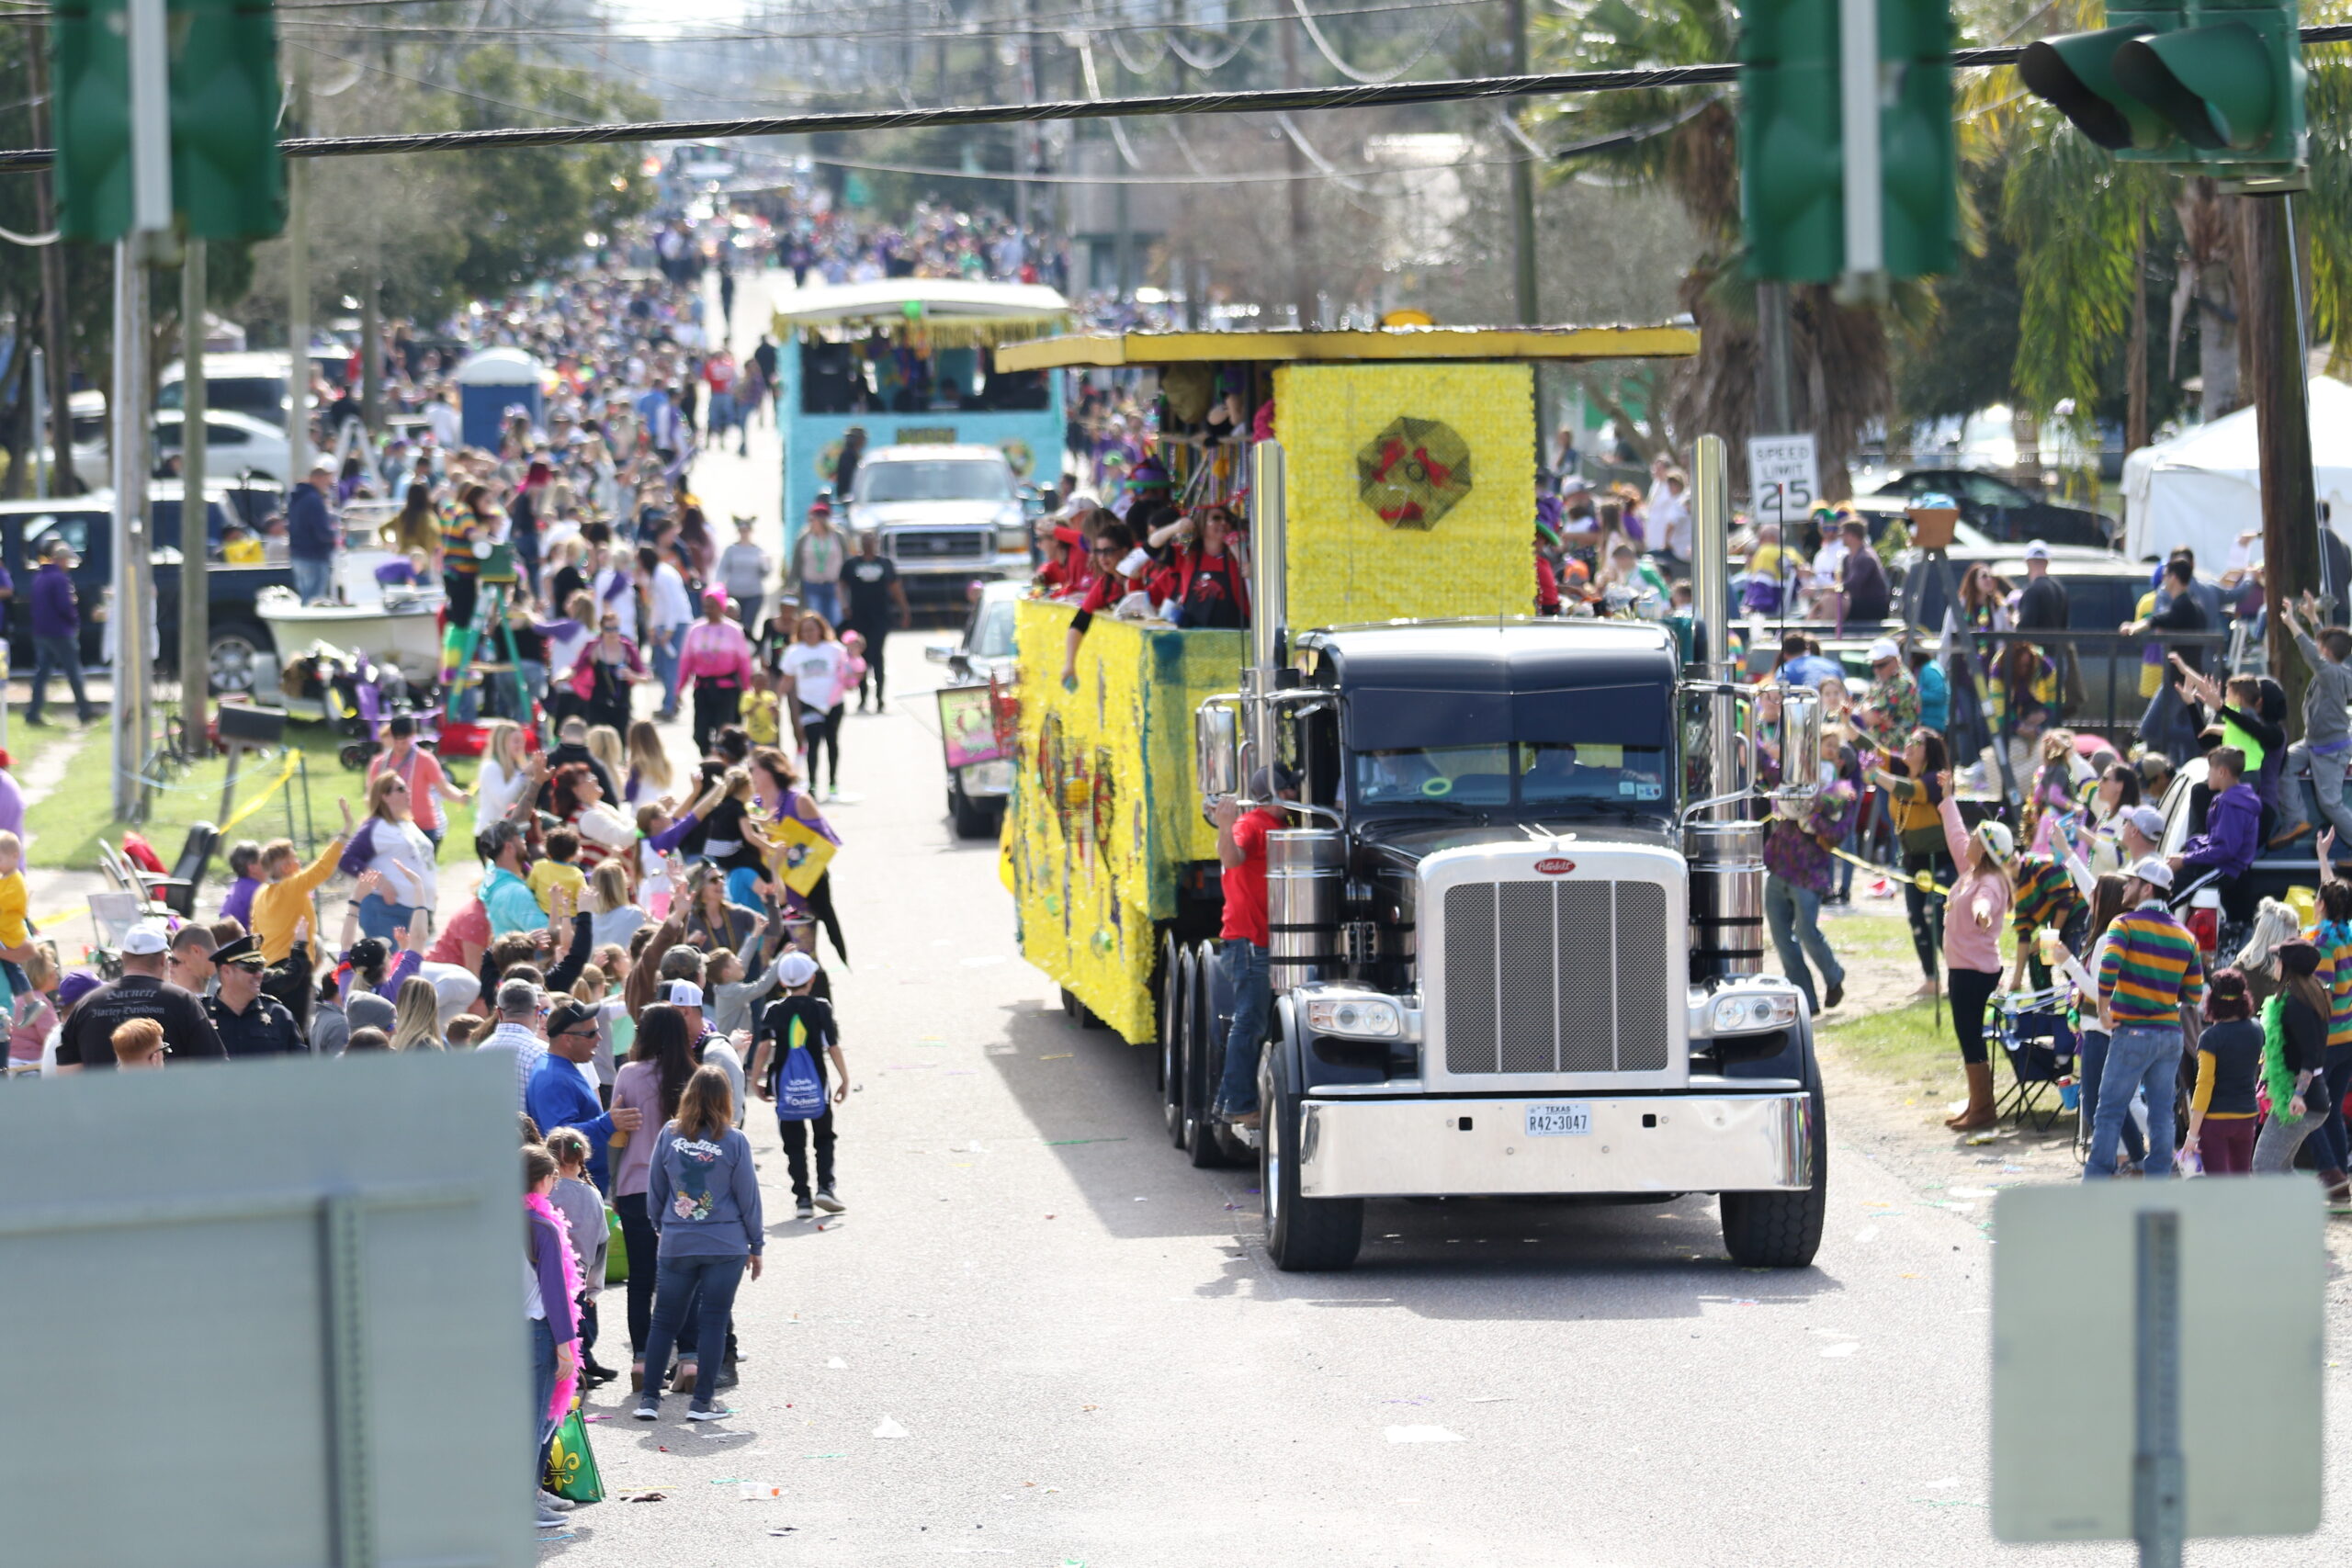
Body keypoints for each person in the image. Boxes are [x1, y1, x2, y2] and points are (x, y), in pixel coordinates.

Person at [634, 1063, 764, 1423]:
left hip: (678, 1239)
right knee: (714, 1321)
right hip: (725, 1243)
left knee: (664, 1321)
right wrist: (756, 1245)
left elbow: (656, 1189)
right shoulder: (734, 1140)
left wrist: (663, 1225)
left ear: (688, 1096)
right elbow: (748, 1197)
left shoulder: (669, 1134)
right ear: (726, 1099)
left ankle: (649, 1401)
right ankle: (702, 1403)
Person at [2086, 857, 2205, 1179]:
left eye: (2131, 882)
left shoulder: (2123, 925)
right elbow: (2194, 995)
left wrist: (2102, 1009)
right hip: (2169, 1036)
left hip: (2133, 1033)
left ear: (2147, 887)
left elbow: (2109, 967)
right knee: (2162, 1116)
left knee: (2109, 1110)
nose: (2126, 887)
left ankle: (2095, 1182)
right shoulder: (2186, 936)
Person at [611, 1001, 693, 1379]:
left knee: (641, 1278)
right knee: (683, 1273)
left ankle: (642, 1357)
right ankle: (689, 1358)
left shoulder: (628, 1074)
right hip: (684, 1192)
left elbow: (617, 1134)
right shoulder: (694, 1076)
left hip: (636, 1185)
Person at [1210, 766, 1293, 1131]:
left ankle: (1235, 1101)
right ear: (1276, 792)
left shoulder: (1281, 828)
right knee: (1250, 1022)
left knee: (1256, 1023)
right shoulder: (1252, 823)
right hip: (1248, 942)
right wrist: (1226, 825)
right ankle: (1238, 1105)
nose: (1293, 794)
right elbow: (1231, 859)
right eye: (1288, 788)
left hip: (1264, 942)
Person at [1935, 782, 2015, 1133]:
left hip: (1974, 971)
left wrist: (1982, 914)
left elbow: (1987, 901)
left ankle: (1983, 1108)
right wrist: (1947, 798)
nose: (1969, 840)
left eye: (1976, 838)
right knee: (1968, 1035)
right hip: (1965, 968)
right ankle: (1978, 1104)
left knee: (1970, 1036)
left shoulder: (1990, 882)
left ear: (1985, 851)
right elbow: (1955, 836)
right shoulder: (1971, 873)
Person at [1762, 725, 1854, 1014]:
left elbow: (1838, 832)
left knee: (1805, 931)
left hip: (1808, 873)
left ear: (1840, 759)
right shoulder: (1794, 779)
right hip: (1780, 866)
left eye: (1832, 748)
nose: (1827, 752)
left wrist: (1811, 815)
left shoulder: (1841, 791)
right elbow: (1768, 771)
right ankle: (1806, 1001)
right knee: (1780, 937)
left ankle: (1834, 975)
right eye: (1823, 746)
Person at [750, 951, 847, 1220]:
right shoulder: (821, 1008)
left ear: (783, 983)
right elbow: (833, 1046)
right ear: (812, 979)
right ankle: (826, 1187)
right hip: (818, 1083)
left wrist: (756, 1079)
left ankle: (802, 1198)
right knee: (824, 1137)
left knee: (793, 1143)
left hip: (784, 1085)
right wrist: (844, 1079)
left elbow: (764, 1047)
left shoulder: (773, 1010)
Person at [55, 923, 228, 1069]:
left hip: (103, 1107)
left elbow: (67, 1072)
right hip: (169, 1106)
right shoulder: (182, 1001)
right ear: (163, 961)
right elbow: (214, 1066)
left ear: (124, 958)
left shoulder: (88, 1004)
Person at [1866, 729, 1952, 999]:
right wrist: (1847, 724)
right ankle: (1931, 979)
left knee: (1940, 919)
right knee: (1916, 918)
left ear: (1929, 751)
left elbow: (1909, 790)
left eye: (1917, 743)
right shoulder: (1900, 767)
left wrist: (1875, 776)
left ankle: (1960, 975)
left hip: (1941, 859)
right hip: (1913, 861)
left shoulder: (1936, 778)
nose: (1909, 746)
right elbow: (1873, 751)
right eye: (1907, 741)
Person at [527, 998, 642, 1192]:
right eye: (591, 1033)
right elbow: (560, 1140)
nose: (599, 1039)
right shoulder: (553, 1078)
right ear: (567, 1039)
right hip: (573, 1192)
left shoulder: (559, 1067)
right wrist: (608, 1123)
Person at [522, 1143, 578, 1532]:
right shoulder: (542, 1226)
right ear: (543, 1180)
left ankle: (534, 1494)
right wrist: (565, 1346)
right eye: (554, 1176)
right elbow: (555, 1291)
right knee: (536, 1417)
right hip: (539, 1330)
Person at [543, 1125, 616, 1386]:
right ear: (582, 1158)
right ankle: (579, 1369)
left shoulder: (546, 1190)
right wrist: (594, 1288)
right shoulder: (593, 1194)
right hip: (580, 1275)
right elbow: (602, 1242)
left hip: (546, 1273)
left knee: (555, 1329)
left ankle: (572, 1373)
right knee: (576, 1325)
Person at [2254, 938, 2333, 1176]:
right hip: (2309, 1098)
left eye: (2277, 959)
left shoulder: (2297, 1004)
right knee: (2282, 1167)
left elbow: (2312, 1055)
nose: (2274, 965)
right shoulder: (2307, 994)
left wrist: (2298, 1094)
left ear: (2287, 966)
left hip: (2303, 1101)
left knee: (2263, 1165)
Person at [2280, 593, 2352, 845]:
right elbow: (2324, 646)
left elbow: (2311, 651)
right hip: (2311, 742)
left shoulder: (2331, 673)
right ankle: (2298, 818)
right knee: (2283, 764)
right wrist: (2312, 617)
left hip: (2329, 750)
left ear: (2325, 652)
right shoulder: (2338, 666)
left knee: (2331, 804)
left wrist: (2292, 622)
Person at [2183, 968, 2264, 1176]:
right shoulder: (2256, 1030)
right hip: (2247, 1115)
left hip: (2216, 1120)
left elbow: (2204, 1085)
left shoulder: (2210, 1038)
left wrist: (2192, 1134)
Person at [339, 772, 437, 941]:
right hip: (386, 910)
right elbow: (347, 859)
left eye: (406, 787)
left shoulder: (406, 823)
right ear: (385, 796)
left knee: (410, 965)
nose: (407, 791)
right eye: (400, 789)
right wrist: (382, 883)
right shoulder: (376, 825)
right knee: (390, 966)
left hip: (413, 910)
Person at [254, 806, 356, 964]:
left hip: (267, 965)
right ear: (285, 868)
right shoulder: (291, 886)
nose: (299, 861)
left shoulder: (261, 893)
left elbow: (255, 933)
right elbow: (322, 867)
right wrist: (345, 830)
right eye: (295, 858)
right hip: (292, 965)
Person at [2171, 745, 2260, 924]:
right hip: (2219, 864)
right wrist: (2193, 846)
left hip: (2223, 868)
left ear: (2222, 772)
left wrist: (2185, 860)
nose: (2207, 775)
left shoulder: (2232, 803)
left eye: (2210, 769)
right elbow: (2216, 840)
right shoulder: (2225, 799)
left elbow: (2225, 850)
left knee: (2166, 900)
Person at [368, 715, 468, 849]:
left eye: (404, 742)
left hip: (423, 827)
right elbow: (370, 796)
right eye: (396, 741)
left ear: (413, 736)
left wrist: (460, 797)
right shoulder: (379, 763)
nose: (399, 746)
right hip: (391, 827)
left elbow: (443, 788)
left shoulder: (425, 759)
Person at [780, 613, 852, 800]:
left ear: (821, 629)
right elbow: (787, 679)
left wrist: (853, 678)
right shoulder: (794, 652)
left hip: (833, 703)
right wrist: (774, 699)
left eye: (812, 629)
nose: (809, 634)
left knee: (832, 741)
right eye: (804, 631)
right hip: (809, 703)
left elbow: (848, 671)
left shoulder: (834, 649)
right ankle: (812, 783)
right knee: (812, 743)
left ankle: (833, 783)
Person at [680, 587, 756, 754]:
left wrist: (747, 690)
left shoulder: (734, 630)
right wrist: (678, 690)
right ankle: (708, 759)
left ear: (721, 606)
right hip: (703, 688)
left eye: (712, 605)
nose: (708, 609)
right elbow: (686, 661)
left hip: (726, 689)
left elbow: (744, 662)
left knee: (725, 732)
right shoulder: (696, 629)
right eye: (706, 605)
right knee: (700, 734)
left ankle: (722, 764)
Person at [26, 538, 94, 727]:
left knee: (41, 674)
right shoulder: (60, 579)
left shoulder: (39, 577)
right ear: (61, 559)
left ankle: (33, 713)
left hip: (41, 632)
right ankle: (85, 712)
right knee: (74, 673)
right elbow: (65, 606)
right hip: (60, 632)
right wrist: (75, 621)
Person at [840, 531, 910, 710]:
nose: (868, 544)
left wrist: (904, 610)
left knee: (876, 655)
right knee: (860, 656)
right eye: (865, 541)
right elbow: (840, 585)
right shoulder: (851, 565)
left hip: (880, 617)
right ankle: (862, 698)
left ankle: (879, 698)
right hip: (858, 617)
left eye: (871, 541)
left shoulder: (885, 564)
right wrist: (844, 605)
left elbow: (895, 588)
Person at [203, 934, 306, 1057]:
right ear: (226, 971)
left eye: (261, 968)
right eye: (251, 968)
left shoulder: (279, 1015)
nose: (259, 974)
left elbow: (301, 1069)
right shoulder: (200, 1015)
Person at [478, 975, 552, 1109]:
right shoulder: (543, 1053)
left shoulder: (480, 1051)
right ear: (536, 1011)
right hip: (531, 1129)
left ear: (499, 1013)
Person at [644, 544, 696, 722]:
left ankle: (670, 704)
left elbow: (674, 603)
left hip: (676, 625)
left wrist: (669, 629)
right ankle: (672, 700)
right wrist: (654, 628)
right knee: (664, 667)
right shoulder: (657, 575)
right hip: (667, 625)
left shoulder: (663, 575)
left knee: (671, 666)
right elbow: (657, 606)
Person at [479, 819, 548, 936]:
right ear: (509, 847)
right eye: (519, 837)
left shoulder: (492, 877)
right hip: (522, 954)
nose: (524, 840)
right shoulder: (516, 893)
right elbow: (547, 936)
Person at [789, 502, 848, 627]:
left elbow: (846, 559)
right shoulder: (804, 537)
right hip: (812, 585)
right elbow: (796, 562)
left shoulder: (837, 536)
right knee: (816, 619)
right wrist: (791, 585)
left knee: (835, 619)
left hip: (834, 585)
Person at [288, 463, 339, 604]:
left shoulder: (297, 497)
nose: (328, 483)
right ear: (318, 478)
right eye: (326, 479)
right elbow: (322, 531)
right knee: (315, 600)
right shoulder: (313, 499)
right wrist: (336, 534)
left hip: (298, 554)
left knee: (305, 597)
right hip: (314, 556)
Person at [717, 515, 770, 635]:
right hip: (734, 593)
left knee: (747, 627)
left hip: (753, 594)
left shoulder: (758, 551)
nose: (744, 533)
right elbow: (722, 570)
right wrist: (719, 587)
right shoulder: (731, 550)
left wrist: (766, 564)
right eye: (742, 531)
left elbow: (765, 573)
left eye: (746, 531)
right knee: (731, 626)